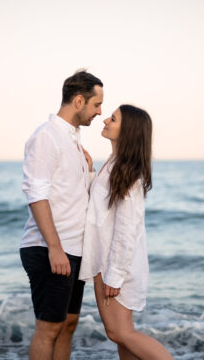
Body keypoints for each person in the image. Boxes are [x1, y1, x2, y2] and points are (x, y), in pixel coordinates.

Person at [79, 105, 174, 360]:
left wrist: (115, 275)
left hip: (116, 266)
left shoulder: (128, 174)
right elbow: (98, 210)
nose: (105, 120)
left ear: (128, 130)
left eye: (113, 118)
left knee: (120, 333)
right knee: (122, 337)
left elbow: (126, 229)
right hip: (105, 260)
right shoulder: (113, 165)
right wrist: (90, 172)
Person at [20, 69, 103, 360]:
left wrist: (89, 171)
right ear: (79, 101)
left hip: (74, 250)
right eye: (96, 104)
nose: (100, 112)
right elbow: (36, 195)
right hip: (50, 249)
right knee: (49, 328)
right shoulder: (47, 137)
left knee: (68, 325)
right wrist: (55, 248)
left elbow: (74, 199)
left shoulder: (73, 139)